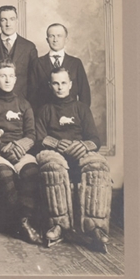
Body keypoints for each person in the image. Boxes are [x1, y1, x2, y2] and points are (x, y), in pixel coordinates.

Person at [35, 67, 112, 251]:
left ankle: (96, 227)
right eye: (55, 83)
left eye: (63, 83)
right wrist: (55, 144)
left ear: (70, 85)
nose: (60, 87)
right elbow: (38, 139)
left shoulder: (81, 109)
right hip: (56, 157)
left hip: (78, 156)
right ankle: (58, 224)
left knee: (97, 167)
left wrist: (84, 146)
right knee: (54, 168)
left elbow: (95, 139)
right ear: (50, 85)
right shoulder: (45, 110)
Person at [0, 60, 41, 246]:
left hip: (20, 151)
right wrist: (1, 147)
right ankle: (22, 223)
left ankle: (24, 220)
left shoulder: (24, 104)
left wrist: (20, 147)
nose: (7, 80)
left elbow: (31, 134)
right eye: (3, 76)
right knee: (4, 174)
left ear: (15, 79)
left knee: (32, 172)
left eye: (10, 76)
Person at [29, 23, 91, 113]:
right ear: (47, 40)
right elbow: (32, 95)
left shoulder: (76, 63)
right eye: (51, 36)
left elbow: (84, 94)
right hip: (45, 117)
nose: (55, 40)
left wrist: (81, 115)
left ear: (66, 39)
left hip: (71, 115)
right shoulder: (37, 63)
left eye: (59, 36)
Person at [0, 5, 38, 101]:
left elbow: (34, 81)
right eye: (4, 20)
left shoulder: (29, 47)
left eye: (12, 19)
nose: (8, 24)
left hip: (22, 102)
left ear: (17, 21)